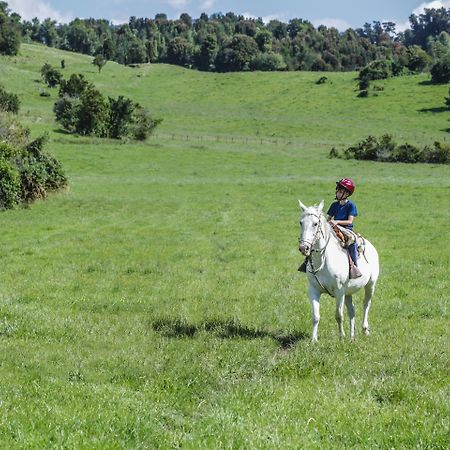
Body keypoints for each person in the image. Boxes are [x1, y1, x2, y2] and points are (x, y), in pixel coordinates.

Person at [298, 178, 362, 279]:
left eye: (341, 191)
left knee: (352, 241)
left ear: (347, 194)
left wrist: (337, 222)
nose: (338, 193)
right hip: (333, 227)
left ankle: (353, 266)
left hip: (346, 229)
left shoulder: (351, 205)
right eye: (337, 190)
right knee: (317, 239)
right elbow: (328, 219)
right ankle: (307, 262)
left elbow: (350, 221)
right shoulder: (334, 205)